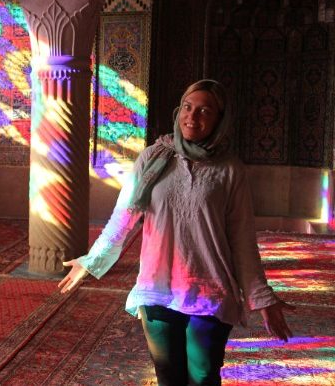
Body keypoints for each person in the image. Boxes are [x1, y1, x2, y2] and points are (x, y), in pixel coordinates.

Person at [58, 79, 293, 385]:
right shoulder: (153, 158)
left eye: (204, 111)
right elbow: (123, 218)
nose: (192, 117)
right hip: (158, 290)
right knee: (169, 377)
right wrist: (92, 260)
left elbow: (242, 239)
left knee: (203, 376)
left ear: (219, 120)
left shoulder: (230, 170)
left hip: (210, 293)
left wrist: (261, 298)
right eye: (187, 107)